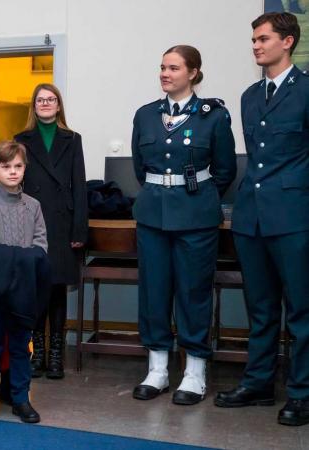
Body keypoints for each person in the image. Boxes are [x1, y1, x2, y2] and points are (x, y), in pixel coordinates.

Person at [215, 12, 309, 427]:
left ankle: (302, 394)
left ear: (287, 42)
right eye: (253, 39)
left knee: (302, 310)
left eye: (263, 38)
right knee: (261, 308)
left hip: (294, 216)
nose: (255, 45)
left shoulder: (307, 90)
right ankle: (258, 383)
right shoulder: (250, 95)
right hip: (251, 218)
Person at [130, 45, 236, 405]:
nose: (164, 73)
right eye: (162, 67)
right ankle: (157, 369)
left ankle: (194, 371)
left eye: (173, 67)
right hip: (152, 215)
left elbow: (224, 170)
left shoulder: (213, 116)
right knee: (154, 291)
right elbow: (139, 169)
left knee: (193, 292)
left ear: (193, 73)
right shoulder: (145, 115)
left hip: (196, 216)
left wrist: (197, 198)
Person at [15, 83, 88, 379]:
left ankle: (56, 355)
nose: (45, 103)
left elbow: (80, 186)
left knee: (57, 289)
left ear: (58, 106)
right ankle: (38, 353)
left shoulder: (72, 139)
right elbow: (14, 182)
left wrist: (79, 229)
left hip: (61, 222)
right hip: (31, 221)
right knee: (35, 291)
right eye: (40, 100)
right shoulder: (21, 139)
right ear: (34, 106)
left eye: (51, 99)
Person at [0, 141, 48, 424]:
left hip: (24, 288)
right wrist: (13, 265)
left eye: (18, 166)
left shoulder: (34, 206)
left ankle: (20, 399)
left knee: (20, 344)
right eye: (6, 167)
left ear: (25, 169)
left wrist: (22, 269)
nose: (13, 172)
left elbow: (41, 245)